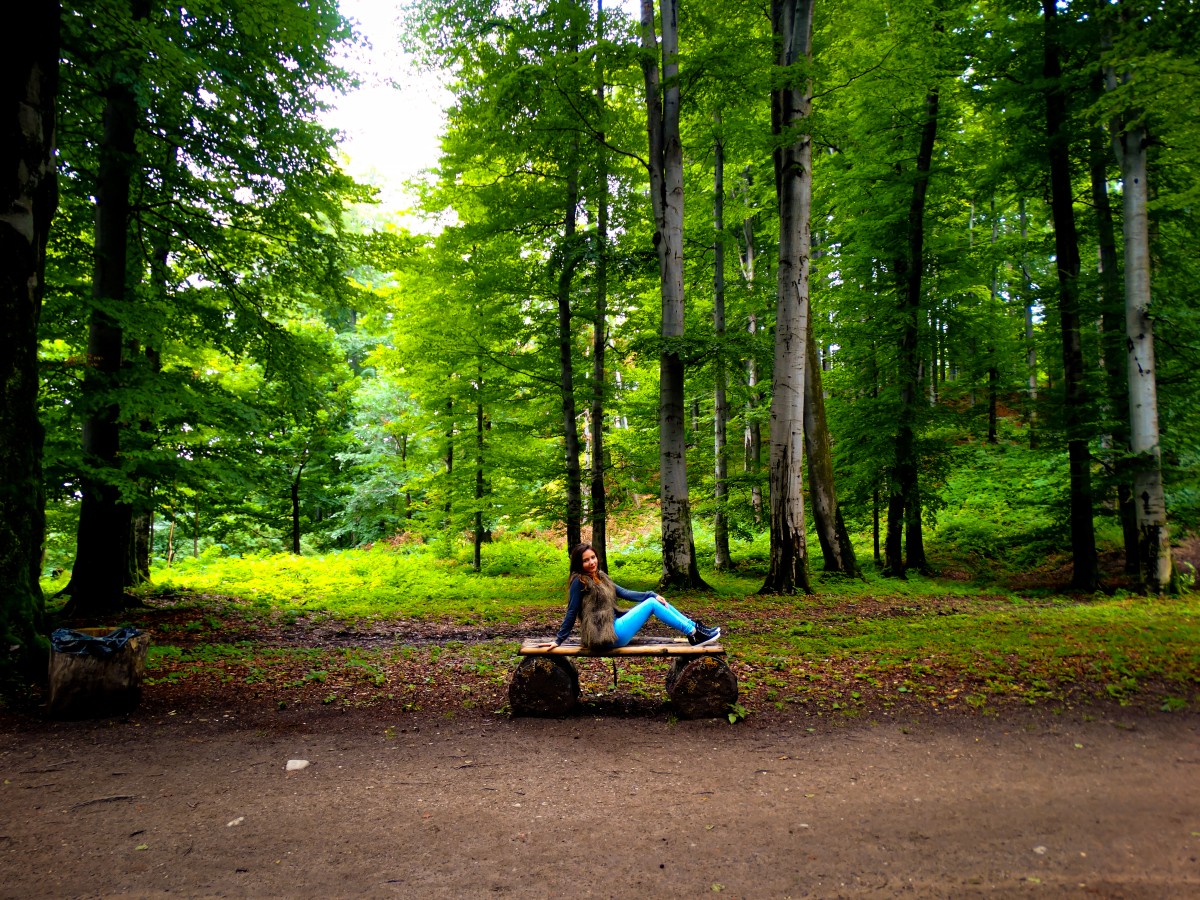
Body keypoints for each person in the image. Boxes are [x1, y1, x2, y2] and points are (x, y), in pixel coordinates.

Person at [546, 542, 721, 652]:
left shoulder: (600, 576)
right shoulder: (579, 581)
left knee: (656, 600)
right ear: (579, 563)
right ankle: (693, 632)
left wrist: (653, 593)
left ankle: (694, 629)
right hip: (606, 637)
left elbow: (625, 593)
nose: (591, 562)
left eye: (593, 557)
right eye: (586, 560)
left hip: (614, 629)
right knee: (652, 603)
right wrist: (559, 640)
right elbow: (571, 612)